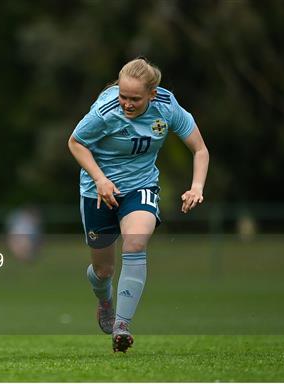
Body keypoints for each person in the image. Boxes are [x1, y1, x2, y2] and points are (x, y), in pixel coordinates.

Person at [68, 58, 209, 353]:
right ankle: (105, 300)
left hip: (140, 187)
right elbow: (76, 143)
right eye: (123, 96)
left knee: (135, 243)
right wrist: (100, 179)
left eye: (134, 99)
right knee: (103, 270)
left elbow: (199, 149)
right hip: (97, 190)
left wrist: (196, 187)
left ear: (152, 95)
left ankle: (121, 326)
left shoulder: (167, 108)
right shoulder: (104, 112)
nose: (127, 104)